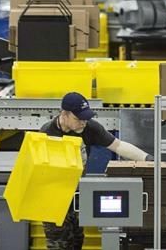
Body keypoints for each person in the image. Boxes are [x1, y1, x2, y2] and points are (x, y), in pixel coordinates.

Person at [41, 92, 150, 249]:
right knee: (60, 244)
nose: (83, 122)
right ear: (64, 114)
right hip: (53, 199)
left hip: (76, 194)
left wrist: (147, 158)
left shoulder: (90, 128)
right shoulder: (47, 133)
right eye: (79, 119)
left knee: (77, 240)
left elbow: (118, 146)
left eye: (86, 117)